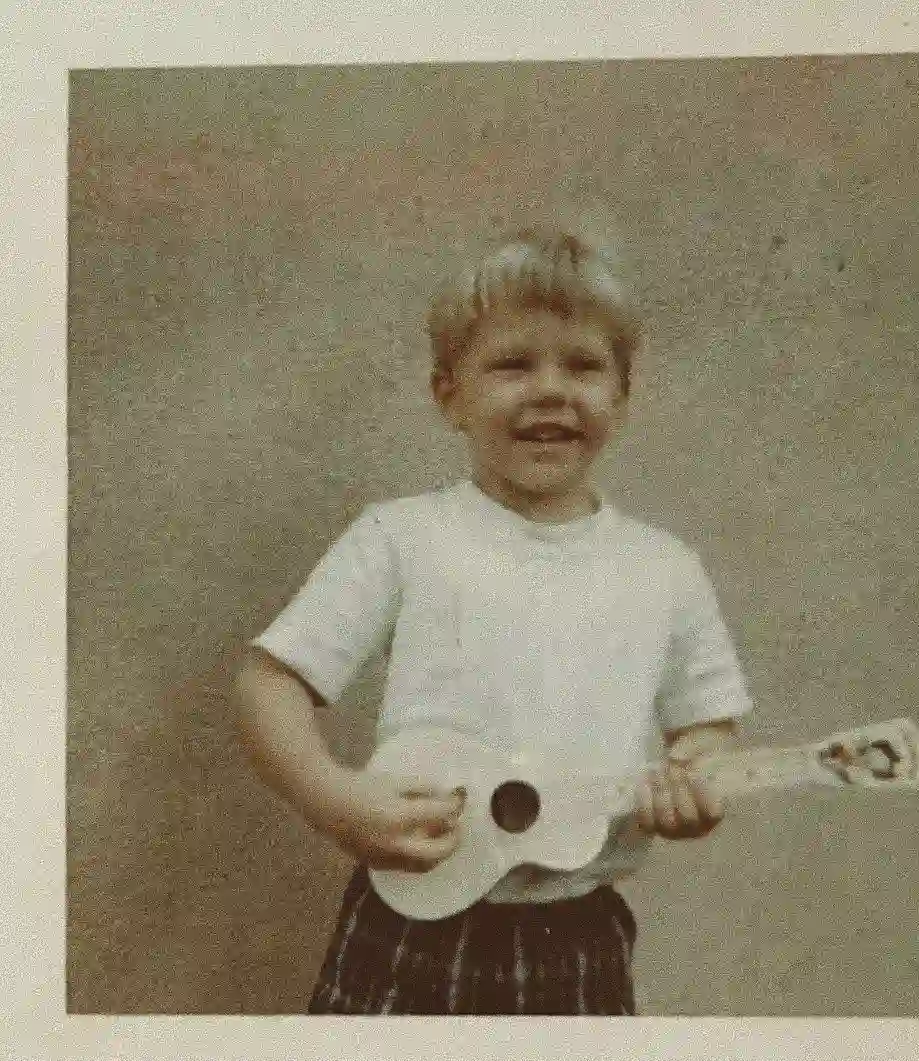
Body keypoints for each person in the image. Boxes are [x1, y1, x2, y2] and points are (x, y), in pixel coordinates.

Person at [232, 225, 753, 1015]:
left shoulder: (664, 569)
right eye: (513, 363)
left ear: (622, 394)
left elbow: (707, 731)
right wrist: (332, 798)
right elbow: (267, 682)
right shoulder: (403, 538)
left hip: (576, 937)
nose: (551, 389)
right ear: (451, 395)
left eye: (583, 365)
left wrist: (695, 785)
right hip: (407, 924)